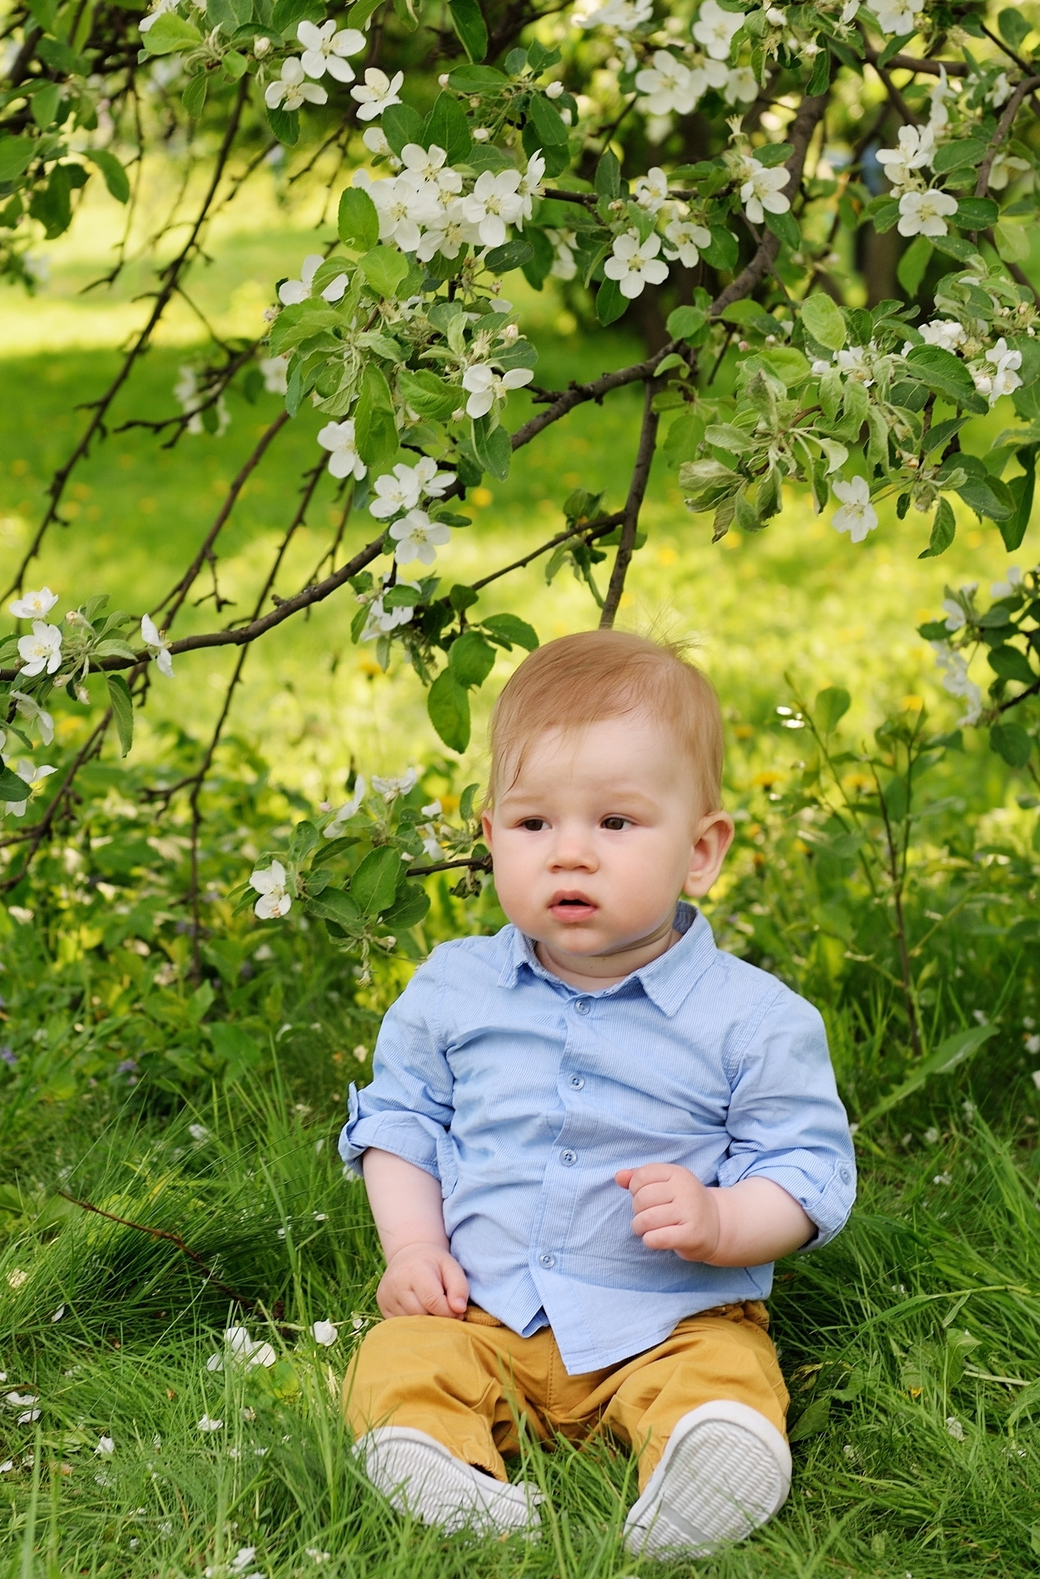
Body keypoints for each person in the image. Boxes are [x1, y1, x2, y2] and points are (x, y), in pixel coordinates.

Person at [336, 630, 856, 1557]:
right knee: (400, 1357)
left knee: (720, 1372)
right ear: (491, 838)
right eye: (534, 824)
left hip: (669, 1319)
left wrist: (722, 1219)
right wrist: (414, 1247)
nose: (569, 854)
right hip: (483, 1312)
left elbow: (808, 1170)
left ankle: (707, 1464)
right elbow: (401, 1123)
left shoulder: (751, 1019)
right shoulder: (454, 989)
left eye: (615, 823)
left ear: (700, 850)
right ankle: (445, 1471)